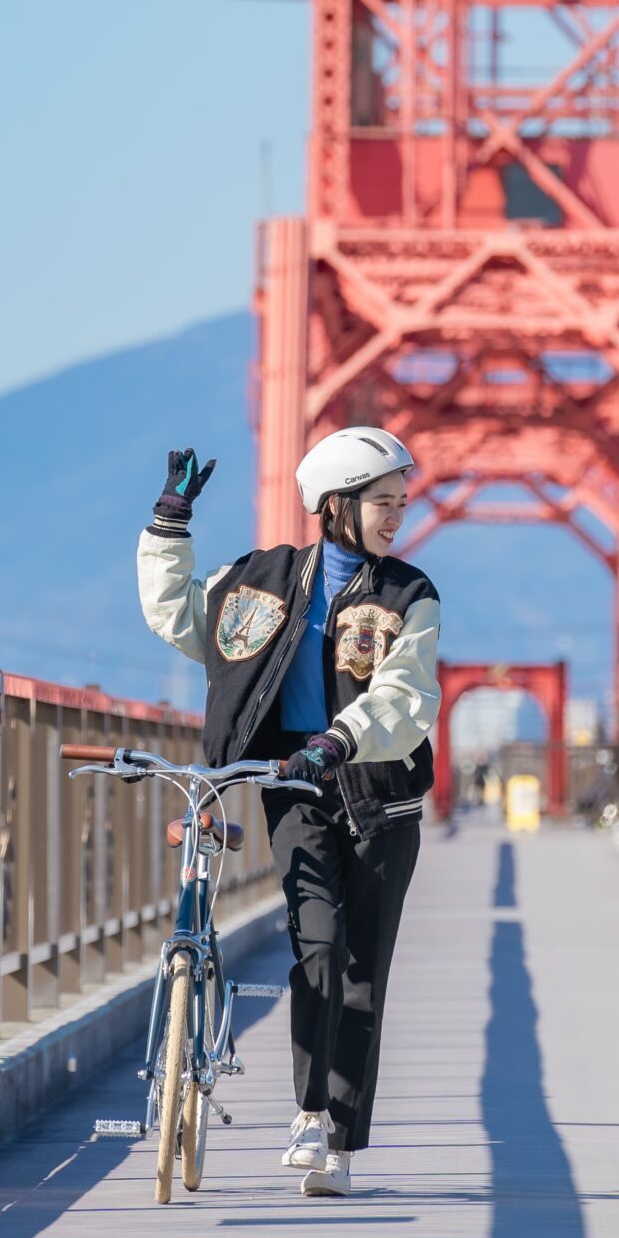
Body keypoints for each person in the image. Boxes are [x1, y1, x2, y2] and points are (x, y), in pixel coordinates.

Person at [137, 427, 442, 1198]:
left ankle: (339, 1143)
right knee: (320, 945)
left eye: (402, 501)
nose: (396, 515)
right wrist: (168, 527)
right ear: (336, 505)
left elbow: (405, 698)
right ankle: (310, 1112)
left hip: (379, 799)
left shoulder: (410, 594)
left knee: (364, 973)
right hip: (294, 786)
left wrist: (341, 741)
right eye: (382, 501)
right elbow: (183, 621)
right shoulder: (259, 581)